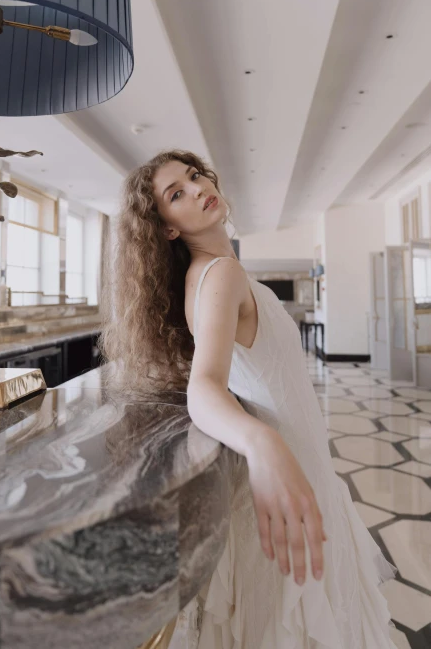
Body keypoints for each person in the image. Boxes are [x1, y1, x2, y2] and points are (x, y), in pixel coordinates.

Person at [99, 149, 399, 648]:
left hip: (300, 465)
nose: (196, 189)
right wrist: (262, 444)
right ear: (168, 228)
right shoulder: (220, 275)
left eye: (194, 177)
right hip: (288, 464)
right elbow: (205, 386)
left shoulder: (213, 272)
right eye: (177, 194)